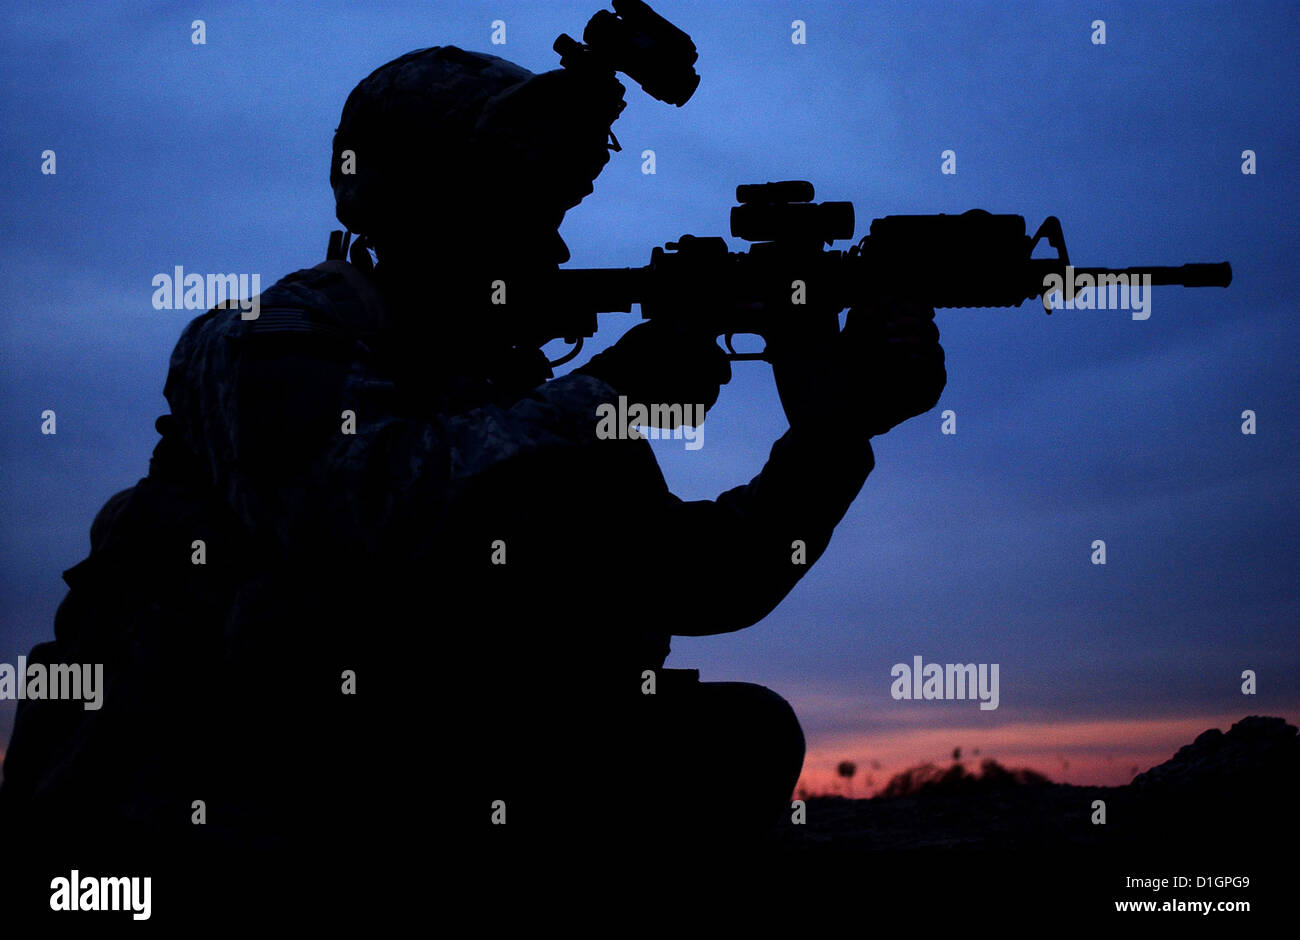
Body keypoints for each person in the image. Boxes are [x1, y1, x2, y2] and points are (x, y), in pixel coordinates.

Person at [1, 44, 945, 911]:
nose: (557, 246)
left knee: (736, 737)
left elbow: (703, 581)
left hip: (431, 785)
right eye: (520, 210)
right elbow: (343, 513)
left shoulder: (518, 393)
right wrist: (606, 392)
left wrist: (834, 434)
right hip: (219, 798)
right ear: (424, 204)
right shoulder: (266, 340)